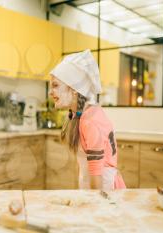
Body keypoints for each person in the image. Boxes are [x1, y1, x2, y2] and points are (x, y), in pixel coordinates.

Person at [49, 50, 126, 190]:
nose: (50, 92)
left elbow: (96, 174)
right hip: (91, 187)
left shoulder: (90, 121)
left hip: (104, 189)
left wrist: (94, 207)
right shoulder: (80, 115)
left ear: (73, 89)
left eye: (55, 85)